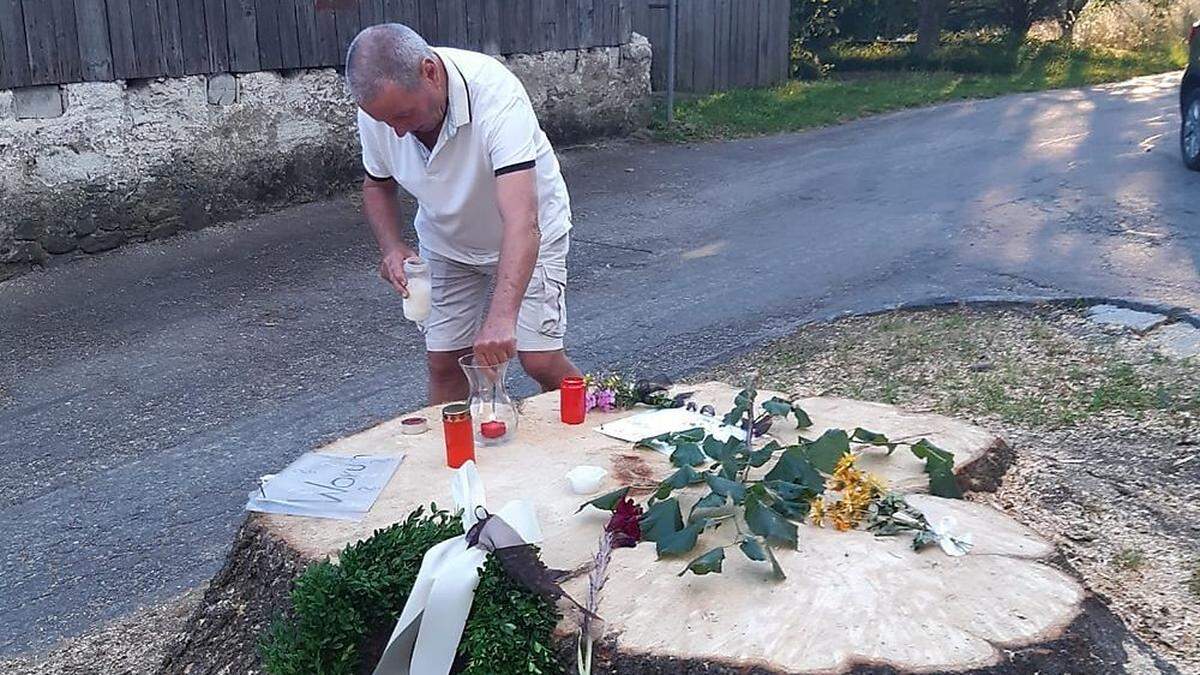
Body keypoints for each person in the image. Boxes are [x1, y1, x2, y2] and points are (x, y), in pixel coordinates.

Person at [345, 23, 582, 404]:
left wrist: (502, 317)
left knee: (539, 359)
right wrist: (391, 246)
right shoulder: (380, 111)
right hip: (446, 241)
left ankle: (601, 422)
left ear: (430, 72)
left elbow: (522, 220)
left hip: (524, 234)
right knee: (445, 364)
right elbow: (377, 185)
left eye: (403, 116)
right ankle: (452, 462)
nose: (398, 133)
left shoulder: (495, 93)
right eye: (387, 123)